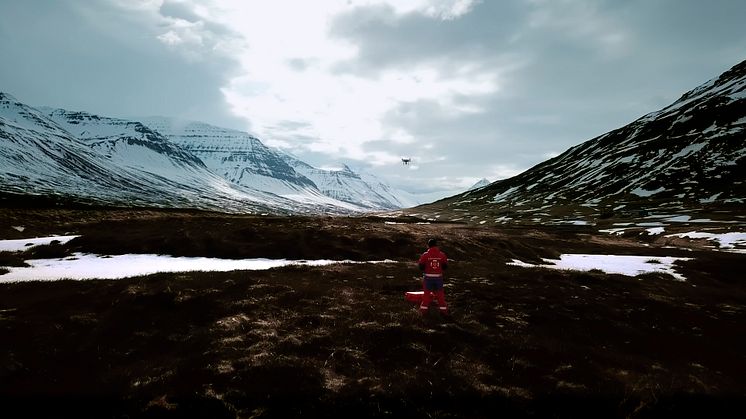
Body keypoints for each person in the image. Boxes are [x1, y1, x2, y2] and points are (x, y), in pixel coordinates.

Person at [418, 238, 449, 315]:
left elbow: (421, 267)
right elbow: (445, 266)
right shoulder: (442, 255)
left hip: (428, 278)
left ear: (428, 246)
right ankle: (444, 311)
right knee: (440, 295)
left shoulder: (425, 255)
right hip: (438, 278)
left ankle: (423, 312)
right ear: (436, 245)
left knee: (426, 295)